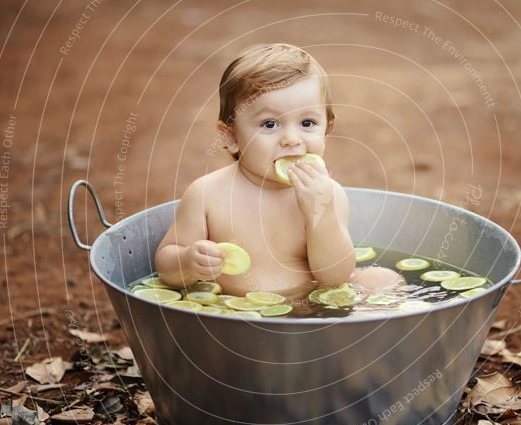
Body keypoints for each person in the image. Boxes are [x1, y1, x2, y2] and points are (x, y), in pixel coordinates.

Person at [155, 43, 403, 300]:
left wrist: (320, 215)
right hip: (233, 309)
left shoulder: (328, 194)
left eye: (307, 123)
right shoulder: (207, 194)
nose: (291, 139)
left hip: (313, 305)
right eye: (270, 124)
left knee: (383, 279)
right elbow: (166, 268)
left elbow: (334, 278)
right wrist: (186, 261)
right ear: (230, 136)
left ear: (326, 130)